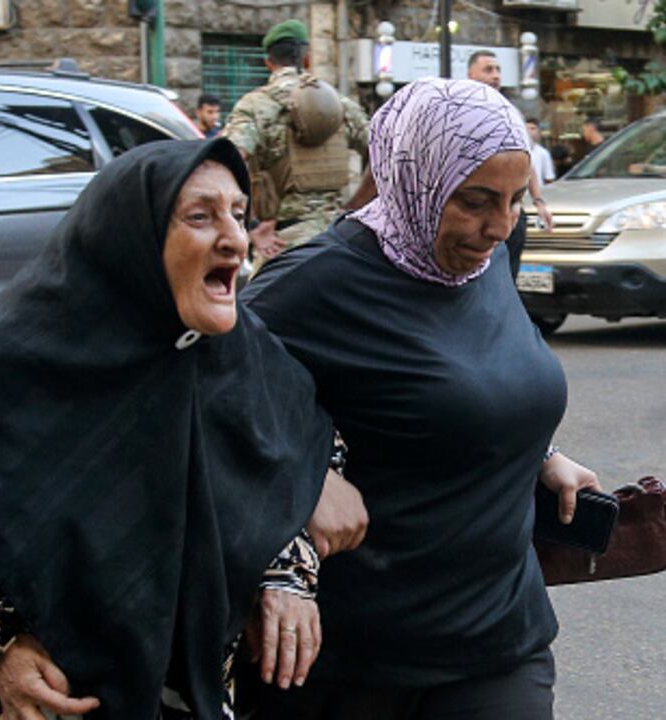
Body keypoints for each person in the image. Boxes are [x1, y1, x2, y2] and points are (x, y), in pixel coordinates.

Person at [0, 139, 337, 718]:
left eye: (237, 212)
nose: (234, 238)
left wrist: (287, 572)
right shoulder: (3, 371)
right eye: (200, 217)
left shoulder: (233, 355)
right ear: (131, 237)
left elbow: (293, 458)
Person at [237, 78, 602, 720]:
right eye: (476, 200)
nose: (500, 225)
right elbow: (198, 399)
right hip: (348, 667)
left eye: (517, 200)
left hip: (497, 641)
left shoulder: (488, 254)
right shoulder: (311, 286)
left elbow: (475, 371)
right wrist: (304, 474)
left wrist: (538, 448)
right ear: (414, 178)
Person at [224, 20, 370, 269]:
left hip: (283, 245)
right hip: (339, 240)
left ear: (268, 62)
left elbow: (226, 160)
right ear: (307, 59)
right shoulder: (341, 104)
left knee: (255, 306)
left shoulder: (256, 105)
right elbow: (388, 156)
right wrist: (355, 208)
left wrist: (251, 225)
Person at [465, 50, 553, 275]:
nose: (495, 75)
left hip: (511, 211)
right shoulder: (462, 111)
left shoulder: (511, 112)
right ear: (471, 74)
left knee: (507, 278)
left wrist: (539, 201)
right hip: (479, 210)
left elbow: (526, 161)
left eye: (498, 70)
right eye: (488, 70)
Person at [526, 118, 556, 185]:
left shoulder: (543, 153)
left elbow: (549, 178)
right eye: (526, 128)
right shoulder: (516, 152)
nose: (529, 131)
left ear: (538, 131)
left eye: (533, 128)